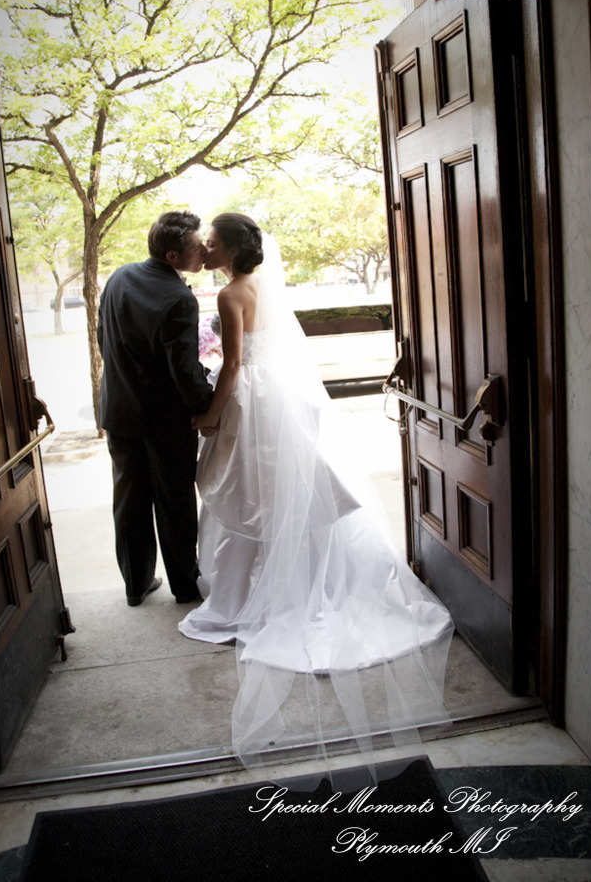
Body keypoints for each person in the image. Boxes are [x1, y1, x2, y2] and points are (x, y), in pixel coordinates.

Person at [179, 213, 454, 763]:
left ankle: (257, 593)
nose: (204, 251)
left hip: (253, 405)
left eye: (211, 244)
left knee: (251, 498)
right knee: (282, 497)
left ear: (231, 250)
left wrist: (211, 414)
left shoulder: (232, 294)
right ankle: (290, 582)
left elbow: (232, 363)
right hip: (282, 397)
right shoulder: (261, 286)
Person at [97, 211, 214, 606]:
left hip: (119, 410)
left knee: (128, 500)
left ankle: (136, 584)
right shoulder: (179, 299)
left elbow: (102, 337)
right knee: (175, 501)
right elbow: (184, 370)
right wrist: (206, 406)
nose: (203, 252)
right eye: (197, 248)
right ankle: (184, 584)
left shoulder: (118, 277)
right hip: (164, 420)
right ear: (172, 256)